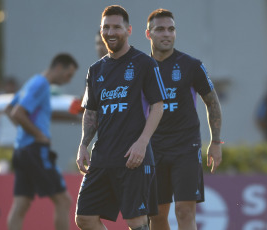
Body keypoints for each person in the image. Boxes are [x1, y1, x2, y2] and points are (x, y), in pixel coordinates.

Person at [75, 5, 167, 230]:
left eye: (117, 27)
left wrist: (142, 142)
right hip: (103, 157)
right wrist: (84, 144)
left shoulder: (144, 63)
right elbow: (91, 111)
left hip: (133, 157)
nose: (111, 32)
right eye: (106, 27)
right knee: (84, 217)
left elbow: (158, 105)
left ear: (128, 30)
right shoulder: (95, 70)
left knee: (136, 222)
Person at [145, 9, 223, 230]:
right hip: (153, 148)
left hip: (185, 147)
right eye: (160, 29)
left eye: (171, 29)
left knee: (185, 211)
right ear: (148, 34)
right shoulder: (140, 67)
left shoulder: (191, 65)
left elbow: (213, 103)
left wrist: (216, 142)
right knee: (157, 216)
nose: (167, 34)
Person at [5, 53, 78, 230]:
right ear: (59, 67)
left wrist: (75, 117)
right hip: (36, 150)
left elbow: (9, 109)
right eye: (68, 75)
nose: (68, 80)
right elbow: (17, 113)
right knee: (63, 201)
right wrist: (39, 136)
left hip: (22, 150)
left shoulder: (32, 82)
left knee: (21, 204)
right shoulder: (41, 85)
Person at [69, 31, 108, 115]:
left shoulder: (125, 68)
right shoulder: (94, 71)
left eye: (103, 43)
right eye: (98, 44)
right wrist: (79, 102)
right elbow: (87, 100)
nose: (100, 47)